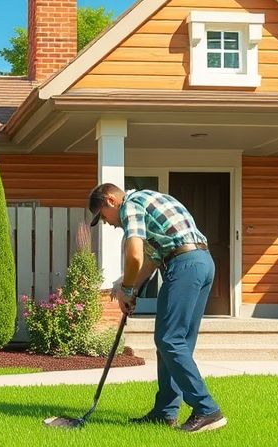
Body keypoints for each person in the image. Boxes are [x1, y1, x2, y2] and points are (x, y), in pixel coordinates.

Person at [89, 183, 225, 433]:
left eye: (104, 217)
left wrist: (127, 290)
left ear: (110, 200)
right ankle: (165, 411)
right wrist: (129, 286)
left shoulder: (130, 205)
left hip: (184, 265)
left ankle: (207, 410)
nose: (107, 223)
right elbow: (151, 260)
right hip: (201, 262)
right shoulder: (150, 200)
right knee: (176, 342)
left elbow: (135, 255)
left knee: (169, 340)